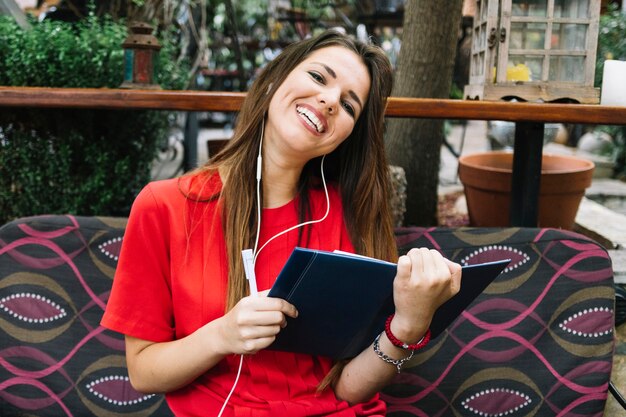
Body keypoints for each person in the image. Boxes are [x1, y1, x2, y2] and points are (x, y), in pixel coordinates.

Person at [101, 29, 462, 416]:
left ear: (346, 136)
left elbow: (345, 389)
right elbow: (142, 371)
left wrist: (406, 327)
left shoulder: (349, 214)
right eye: (319, 78)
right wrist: (221, 336)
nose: (328, 101)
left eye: (349, 105)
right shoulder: (164, 205)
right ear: (275, 78)